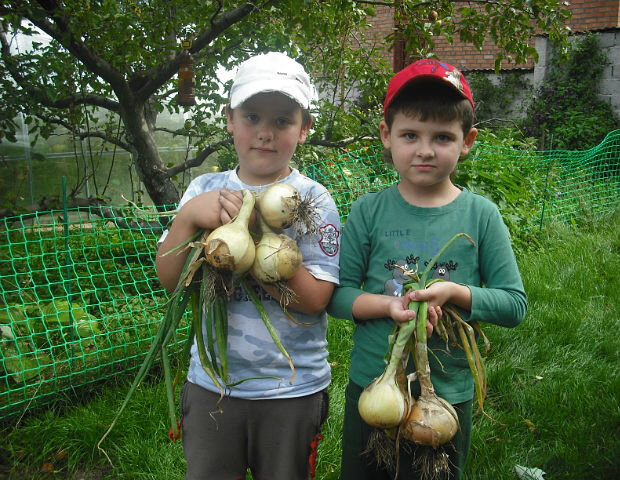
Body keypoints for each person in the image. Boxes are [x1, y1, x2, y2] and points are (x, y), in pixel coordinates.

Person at [327, 59, 527, 479]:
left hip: (447, 394)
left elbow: (514, 304)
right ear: (387, 135)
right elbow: (339, 296)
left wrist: (454, 293)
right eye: (410, 135)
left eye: (442, 137)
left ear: (467, 141)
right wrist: (388, 305)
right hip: (373, 386)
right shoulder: (369, 210)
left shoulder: (481, 215)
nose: (424, 149)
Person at [156, 52, 341, 480]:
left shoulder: (311, 201)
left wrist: (255, 240)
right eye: (252, 116)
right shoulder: (204, 190)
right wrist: (188, 218)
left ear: (304, 129)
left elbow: (314, 301)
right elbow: (170, 281)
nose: (265, 132)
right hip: (211, 385)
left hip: (291, 390)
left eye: (282, 121)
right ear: (229, 119)